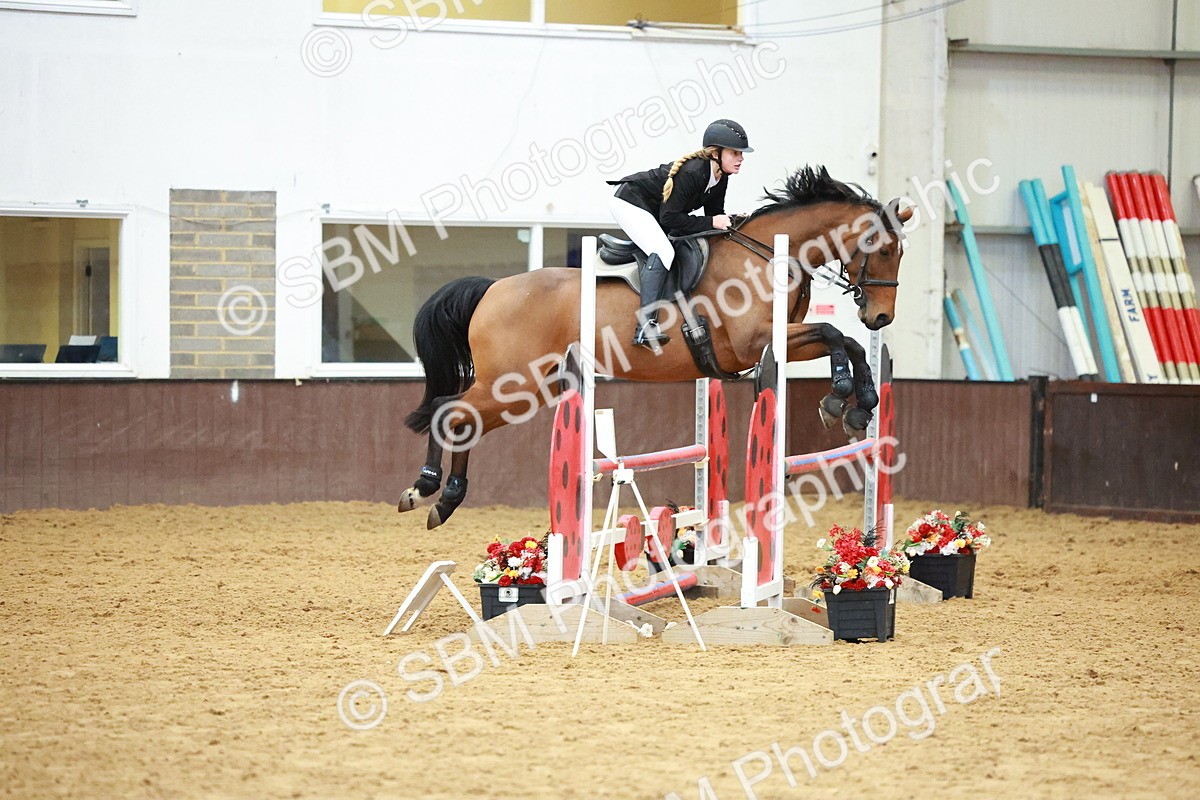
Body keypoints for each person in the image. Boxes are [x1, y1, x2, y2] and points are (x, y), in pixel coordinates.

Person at [607, 118, 752, 349]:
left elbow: (713, 217)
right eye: (735, 153)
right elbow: (670, 219)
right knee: (663, 251)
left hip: (655, 210)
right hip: (629, 201)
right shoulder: (692, 172)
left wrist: (731, 222)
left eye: (741, 153)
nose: (741, 158)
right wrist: (712, 221)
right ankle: (645, 326)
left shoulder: (720, 177)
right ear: (715, 153)